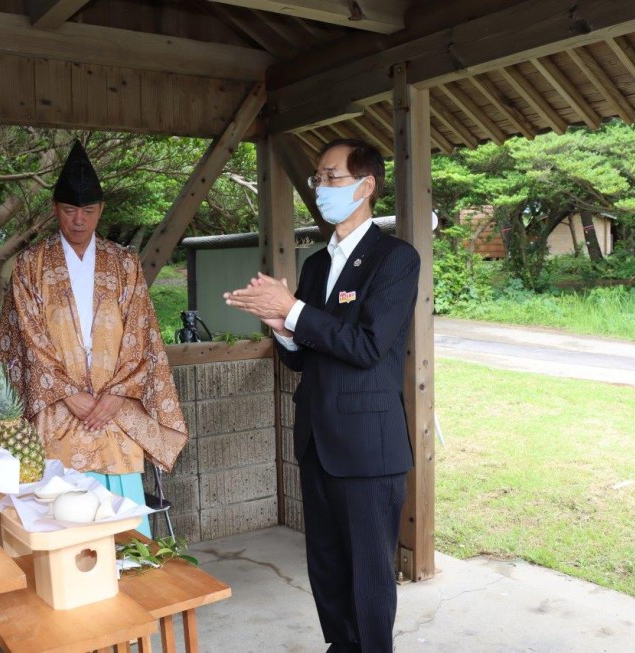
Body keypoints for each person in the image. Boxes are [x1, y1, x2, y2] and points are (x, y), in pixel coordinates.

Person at [224, 138, 420, 652]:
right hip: (317, 441)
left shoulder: (395, 259)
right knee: (327, 568)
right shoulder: (314, 266)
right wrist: (281, 326)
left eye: (332, 177)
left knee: (369, 575)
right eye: (318, 178)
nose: (322, 188)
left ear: (366, 186)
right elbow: (302, 358)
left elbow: (369, 346)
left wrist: (292, 311)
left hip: (367, 447)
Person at [0, 140, 187, 537]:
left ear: (100, 210)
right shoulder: (31, 265)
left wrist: (116, 394)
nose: (78, 220)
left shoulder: (125, 262)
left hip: (115, 408)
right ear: (55, 209)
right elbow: (28, 337)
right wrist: (67, 392)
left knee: (126, 526)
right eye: (69, 210)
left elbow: (141, 332)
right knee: (59, 515)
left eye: (87, 210)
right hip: (57, 406)